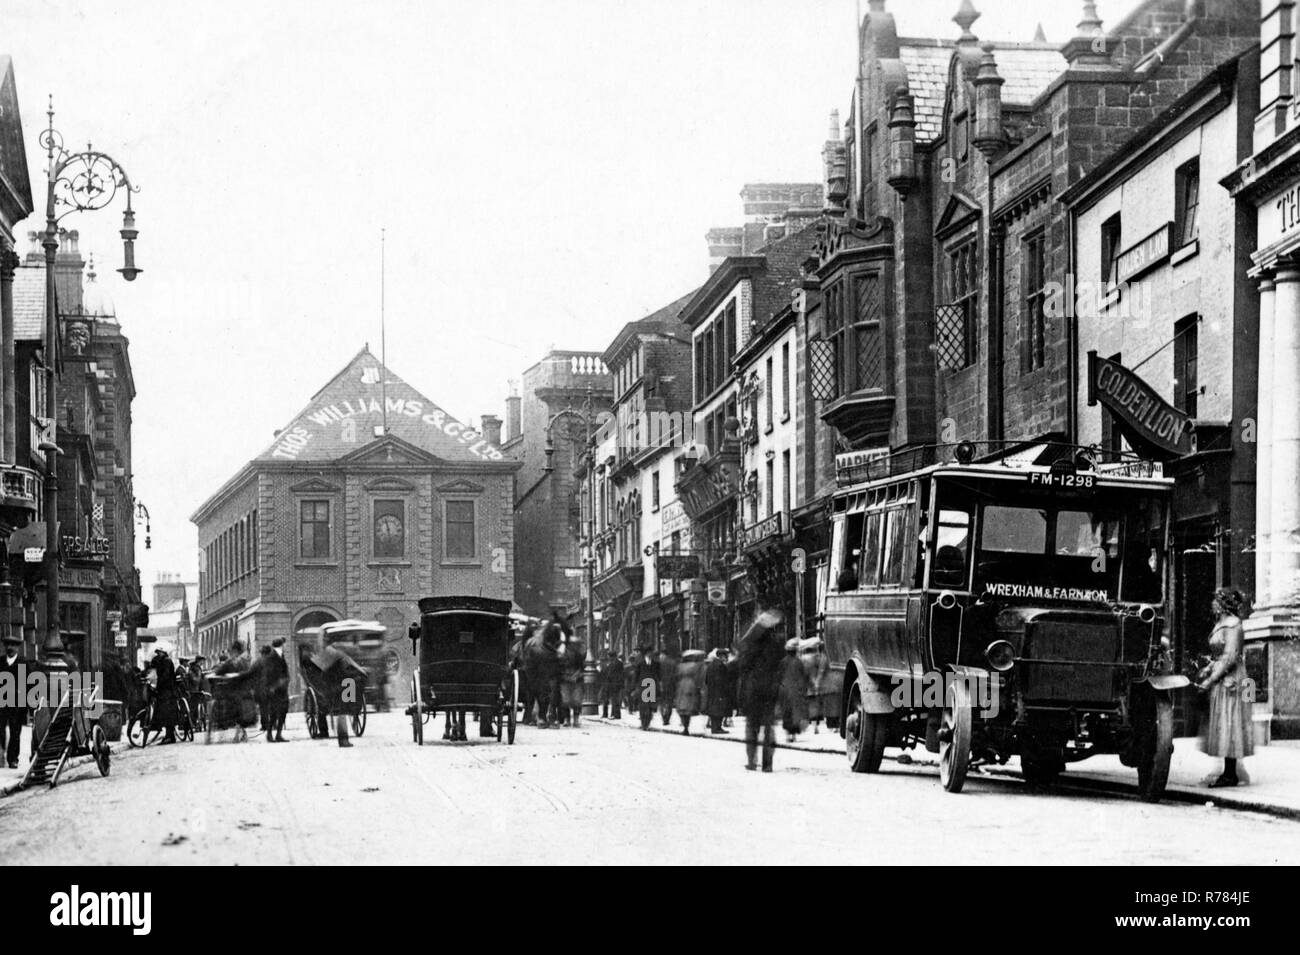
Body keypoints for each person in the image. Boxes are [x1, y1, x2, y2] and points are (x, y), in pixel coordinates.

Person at [1197, 587, 1254, 787]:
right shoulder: (1221, 624)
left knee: (1231, 725)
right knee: (1224, 724)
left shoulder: (1233, 625)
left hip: (1232, 682)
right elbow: (1221, 656)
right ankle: (1228, 772)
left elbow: (1230, 657)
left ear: (1223, 604)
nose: (1213, 604)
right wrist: (1209, 668)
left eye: (1216, 601)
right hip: (1223, 678)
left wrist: (1210, 679)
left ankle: (1230, 774)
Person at [735, 604, 785, 771]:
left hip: (753, 689)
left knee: (752, 727)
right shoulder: (776, 643)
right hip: (770, 688)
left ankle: (751, 761)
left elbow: (742, 666)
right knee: (769, 727)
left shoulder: (750, 644)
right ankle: (767, 764)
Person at [523, 621, 560, 728]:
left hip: (539, 672)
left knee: (544, 694)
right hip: (545, 671)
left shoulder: (533, 643)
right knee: (549, 693)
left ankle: (542, 717)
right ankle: (547, 717)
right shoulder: (538, 644)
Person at [0, 636, 27, 768]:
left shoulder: (23, 663)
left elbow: (29, 685)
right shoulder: (0, 662)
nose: (10, 647)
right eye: (8, 645)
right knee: (0, 729)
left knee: (15, 731)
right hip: (2, 702)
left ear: (18, 648)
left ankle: (13, 759)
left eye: (13, 645)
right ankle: (0, 756)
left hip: (17, 704)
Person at [779, 637, 809, 742]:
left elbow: (779, 676)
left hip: (784, 690)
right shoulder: (799, 662)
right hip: (796, 690)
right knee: (795, 712)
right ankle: (793, 735)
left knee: (786, 712)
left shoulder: (783, 662)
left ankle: (788, 734)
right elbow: (803, 676)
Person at [148, 647, 180, 744]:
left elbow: (165, 676)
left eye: (159, 652)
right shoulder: (162, 661)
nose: (158, 654)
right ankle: (169, 736)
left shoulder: (166, 661)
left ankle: (169, 736)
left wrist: (158, 684)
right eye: (157, 652)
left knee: (167, 714)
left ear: (163, 652)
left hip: (168, 692)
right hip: (165, 691)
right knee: (166, 715)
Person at [264, 638, 290, 742]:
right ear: (281, 645)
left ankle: (278, 734)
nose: (286, 646)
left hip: (282, 688)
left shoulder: (280, 655)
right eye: (285, 644)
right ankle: (269, 734)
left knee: (283, 710)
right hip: (274, 689)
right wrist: (272, 686)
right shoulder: (272, 656)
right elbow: (269, 673)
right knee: (274, 712)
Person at [803, 638, 830, 734]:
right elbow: (822, 671)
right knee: (817, 705)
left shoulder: (805, 659)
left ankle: (814, 724)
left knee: (812, 705)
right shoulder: (820, 657)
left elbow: (804, 673)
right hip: (819, 683)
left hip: (809, 684)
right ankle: (817, 724)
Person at [674, 651, 704, 735]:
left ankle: (684, 725)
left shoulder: (680, 666)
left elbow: (676, 676)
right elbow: (699, 677)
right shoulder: (695, 666)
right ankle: (686, 726)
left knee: (682, 708)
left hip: (681, 687)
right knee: (688, 707)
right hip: (691, 686)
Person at [703, 648, 731, 734]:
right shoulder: (721, 666)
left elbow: (706, 680)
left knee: (714, 709)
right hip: (720, 691)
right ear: (722, 656)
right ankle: (717, 728)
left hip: (712, 691)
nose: (727, 658)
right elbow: (723, 680)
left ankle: (715, 727)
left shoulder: (711, 665)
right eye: (726, 656)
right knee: (719, 709)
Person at [633, 645, 658, 730]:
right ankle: (643, 723)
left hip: (652, 686)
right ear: (647, 653)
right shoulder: (641, 664)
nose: (652, 654)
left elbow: (658, 675)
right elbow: (636, 676)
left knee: (650, 706)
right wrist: (636, 686)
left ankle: (647, 723)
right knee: (643, 706)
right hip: (643, 686)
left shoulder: (655, 664)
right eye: (650, 652)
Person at [600, 650, 623, 719]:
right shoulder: (609, 664)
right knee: (606, 699)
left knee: (615, 700)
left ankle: (615, 714)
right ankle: (605, 714)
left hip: (615, 683)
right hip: (608, 683)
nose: (609, 658)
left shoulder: (618, 663)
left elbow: (620, 674)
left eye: (609, 656)